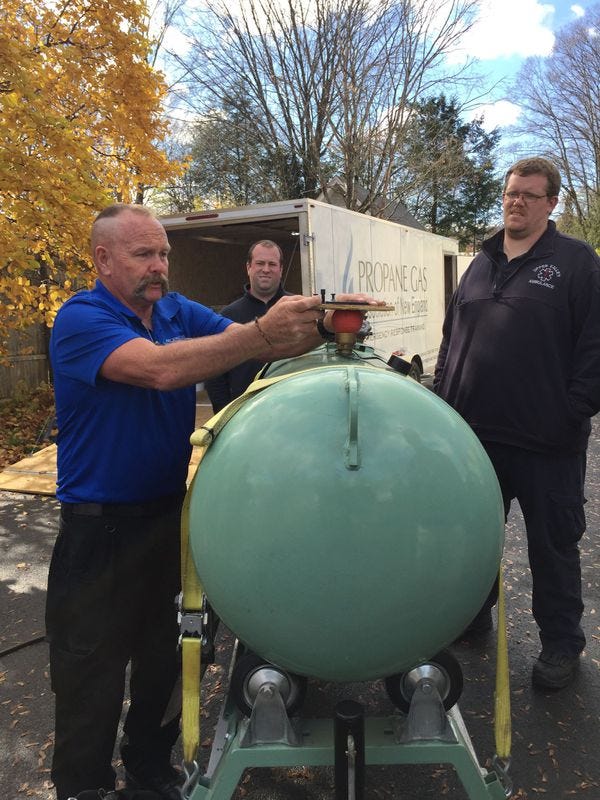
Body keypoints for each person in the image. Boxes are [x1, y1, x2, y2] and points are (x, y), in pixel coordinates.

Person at [46, 203, 378, 800]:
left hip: (169, 521)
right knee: (90, 676)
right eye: (144, 254)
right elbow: (157, 370)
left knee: (171, 661)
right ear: (103, 259)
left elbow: (249, 347)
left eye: (163, 254)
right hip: (99, 534)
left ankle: (150, 770)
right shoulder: (81, 319)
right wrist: (262, 332)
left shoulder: (177, 311)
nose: (159, 266)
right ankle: (83, 786)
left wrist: (326, 324)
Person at [434, 157, 600, 691]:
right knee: (475, 540)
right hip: (476, 440)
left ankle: (561, 644)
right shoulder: (480, 263)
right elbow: (452, 338)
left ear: (551, 202)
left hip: (547, 443)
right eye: (510, 193)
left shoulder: (575, 262)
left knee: (552, 547)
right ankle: (473, 615)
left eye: (529, 194)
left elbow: (595, 347)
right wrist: (443, 401)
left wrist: (571, 411)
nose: (516, 202)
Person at [205, 239, 290, 412]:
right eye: (260, 263)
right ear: (248, 267)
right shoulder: (228, 316)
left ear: (281, 270)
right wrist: (225, 414)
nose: (266, 269)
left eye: (272, 264)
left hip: (291, 410)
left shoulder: (296, 309)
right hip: (245, 415)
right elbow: (215, 374)